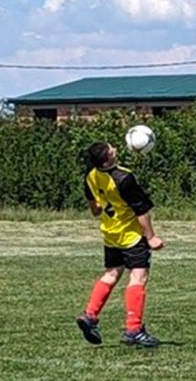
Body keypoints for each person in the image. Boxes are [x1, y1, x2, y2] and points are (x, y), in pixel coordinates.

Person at [76, 142, 164, 348]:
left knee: (112, 273)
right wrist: (151, 237)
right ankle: (134, 329)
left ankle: (90, 315)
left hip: (110, 233)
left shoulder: (91, 175)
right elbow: (141, 210)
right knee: (138, 276)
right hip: (130, 235)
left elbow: (95, 209)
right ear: (107, 159)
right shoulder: (124, 177)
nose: (115, 148)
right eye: (111, 149)